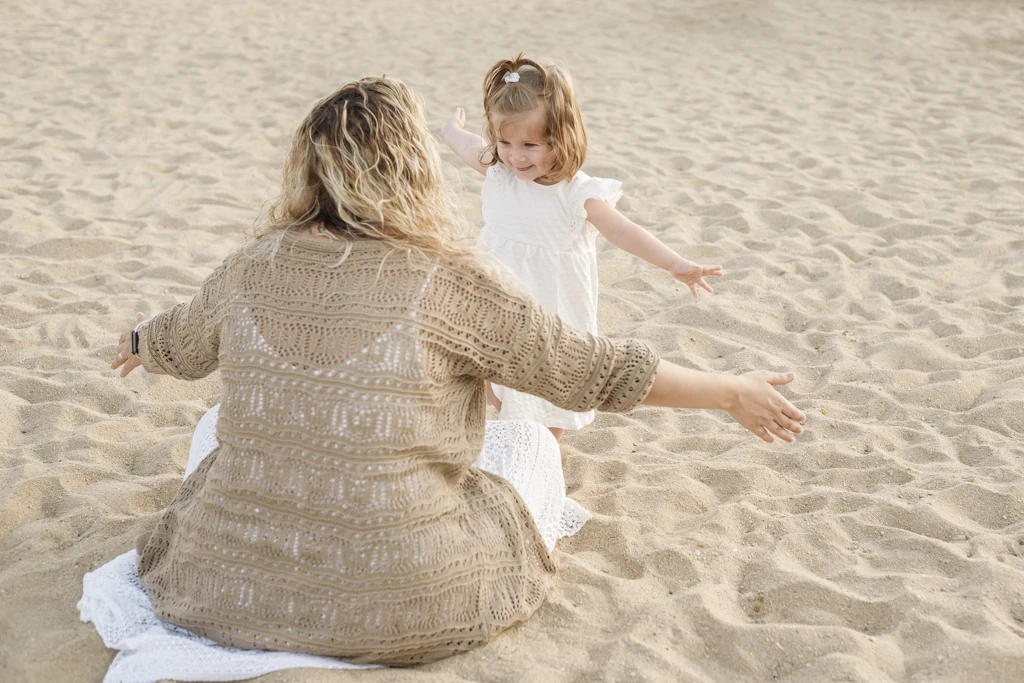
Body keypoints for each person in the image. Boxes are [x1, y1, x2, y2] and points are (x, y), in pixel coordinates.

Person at [110, 75, 804, 667]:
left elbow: (179, 341)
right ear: (413, 166)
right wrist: (728, 391)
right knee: (531, 443)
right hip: (406, 598)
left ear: (309, 167)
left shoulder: (249, 267)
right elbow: (590, 369)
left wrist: (139, 340)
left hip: (223, 588)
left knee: (212, 428)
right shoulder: (450, 282)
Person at [442, 54, 723, 440]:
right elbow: (467, 146)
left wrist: (674, 263)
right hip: (498, 304)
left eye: (530, 144)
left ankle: (544, 462)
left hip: (551, 315)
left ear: (561, 137)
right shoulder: (500, 170)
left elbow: (623, 232)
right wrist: (450, 130)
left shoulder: (577, 194)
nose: (515, 155)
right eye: (505, 141)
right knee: (498, 391)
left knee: (545, 407)